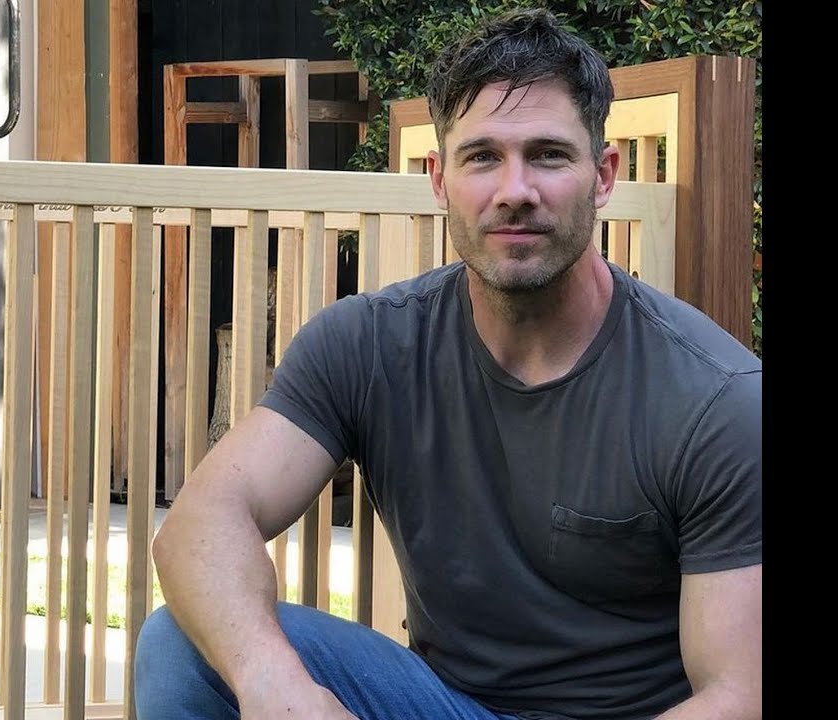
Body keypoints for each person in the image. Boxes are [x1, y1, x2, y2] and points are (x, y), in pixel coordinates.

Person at [132, 7, 761, 720]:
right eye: (482, 156)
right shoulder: (368, 346)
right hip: (441, 706)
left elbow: (738, 697)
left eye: (549, 155)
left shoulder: (716, 400)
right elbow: (202, 520)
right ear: (439, 179)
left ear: (603, 175)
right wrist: (273, 683)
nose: (513, 190)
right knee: (183, 646)